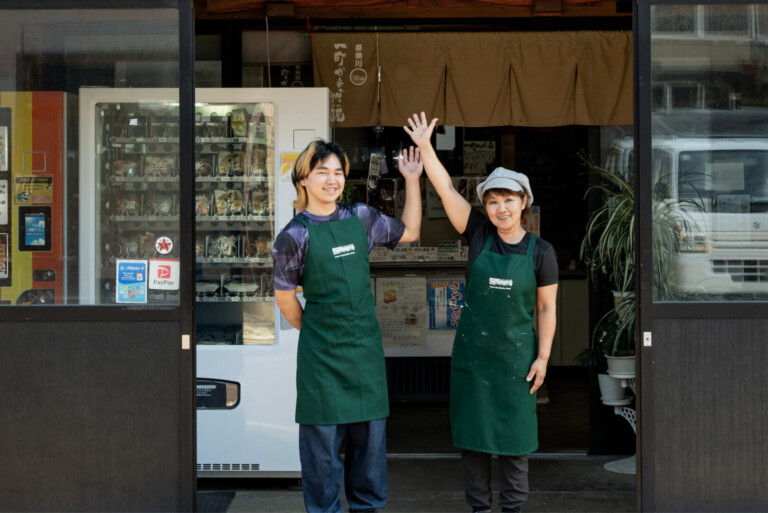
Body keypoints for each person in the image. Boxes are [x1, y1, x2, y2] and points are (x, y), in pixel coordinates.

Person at [404, 113, 558, 513]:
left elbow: (546, 308)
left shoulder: (541, 253)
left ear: (524, 202)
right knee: (473, 447)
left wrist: (543, 357)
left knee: (515, 447)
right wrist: (426, 147)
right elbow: (444, 187)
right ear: (485, 206)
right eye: (492, 201)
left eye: (508, 200)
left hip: (516, 363)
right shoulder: (477, 233)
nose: (501, 208)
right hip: (474, 361)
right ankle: (479, 510)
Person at [271, 139, 423, 513]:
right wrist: (320, 333)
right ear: (303, 179)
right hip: (321, 361)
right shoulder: (293, 236)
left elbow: (409, 231)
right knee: (322, 460)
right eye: (322, 171)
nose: (332, 179)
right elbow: (286, 301)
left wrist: (411, 179)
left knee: (369, 458)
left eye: (338, 172)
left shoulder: (362, 218)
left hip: (364, 357)